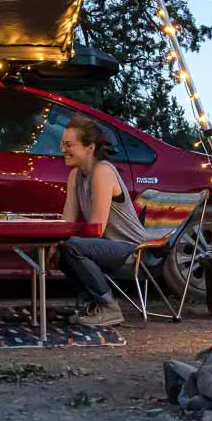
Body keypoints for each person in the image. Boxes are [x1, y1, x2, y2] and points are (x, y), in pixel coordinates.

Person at [56, 113, 146, 327]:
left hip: (132, 251)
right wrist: (53, 244)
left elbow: (96, 228)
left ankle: (109, 308)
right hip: (108, 249)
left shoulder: (102, 172)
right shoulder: (75, 175)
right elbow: (68, 220)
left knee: (72, 247)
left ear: (90, 148)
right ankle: (93, 304)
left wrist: (66, 241)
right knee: (61, 249)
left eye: (69, 145)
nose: (63, 150)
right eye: (62, 144)